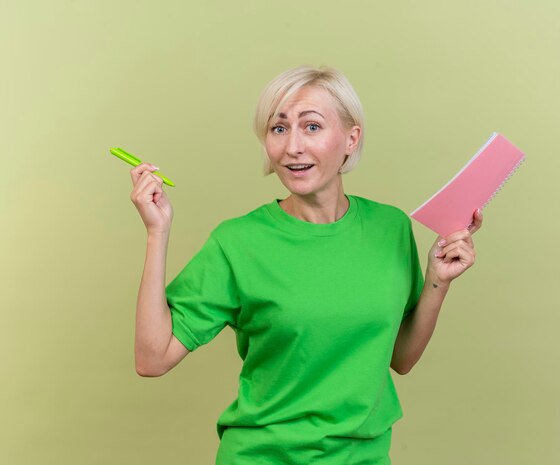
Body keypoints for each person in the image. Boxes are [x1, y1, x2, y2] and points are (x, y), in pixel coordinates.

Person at [130, 65, 482, 465]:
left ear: (351, 138)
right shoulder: (238, 242)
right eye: (278, 129)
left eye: (311, 127)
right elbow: (152, 359)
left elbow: (400, 358)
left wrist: (438, 280)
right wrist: (157, 233)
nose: (292, 146)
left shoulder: (391, 228)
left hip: (364, 457)